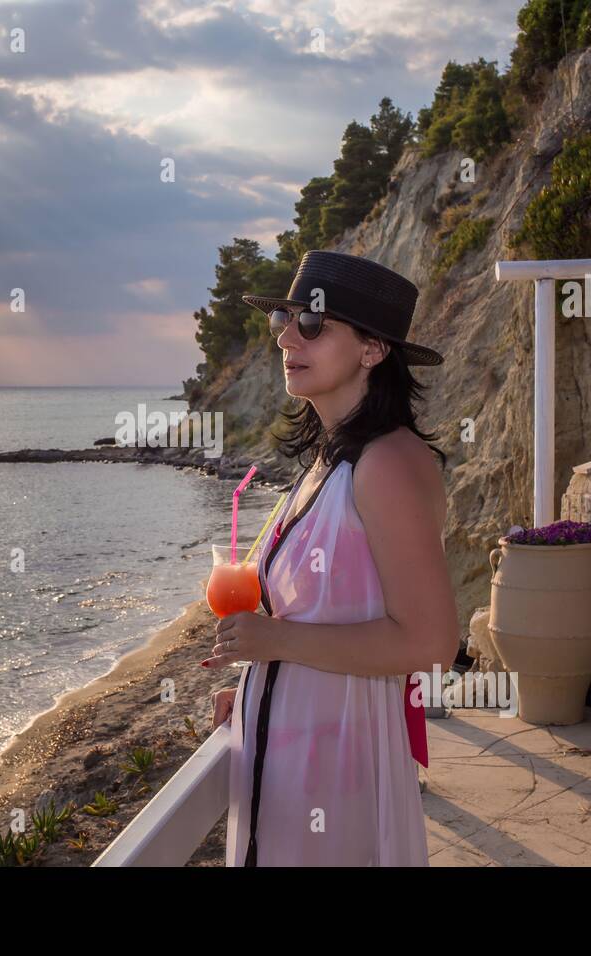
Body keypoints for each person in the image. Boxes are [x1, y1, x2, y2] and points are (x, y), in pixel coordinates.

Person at [202, 250, 459, 866]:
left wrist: (276, 646)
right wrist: (256, 681)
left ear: (372, 349)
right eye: (284, 322)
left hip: (340, 762)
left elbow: (430, 645)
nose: (288, 337)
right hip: (293, 752)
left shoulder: (388, 464)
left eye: (312, 323)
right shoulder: (328, 464)